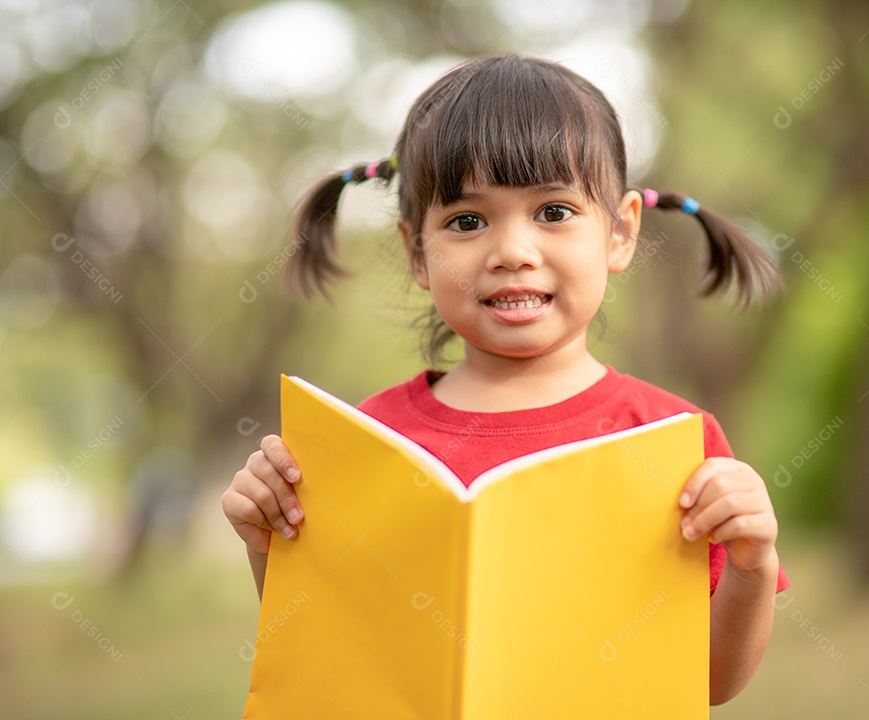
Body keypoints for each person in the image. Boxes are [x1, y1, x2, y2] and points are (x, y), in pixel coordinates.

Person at [222, 53, 790, 706]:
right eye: (467, 221)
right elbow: (337, 645)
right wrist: (270, 541)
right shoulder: (365, 441)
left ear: (621, 232)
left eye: (553, 211)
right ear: (417, 253)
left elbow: (709, 684)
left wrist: (752, 563)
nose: (513, 252)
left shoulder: (671, 443)